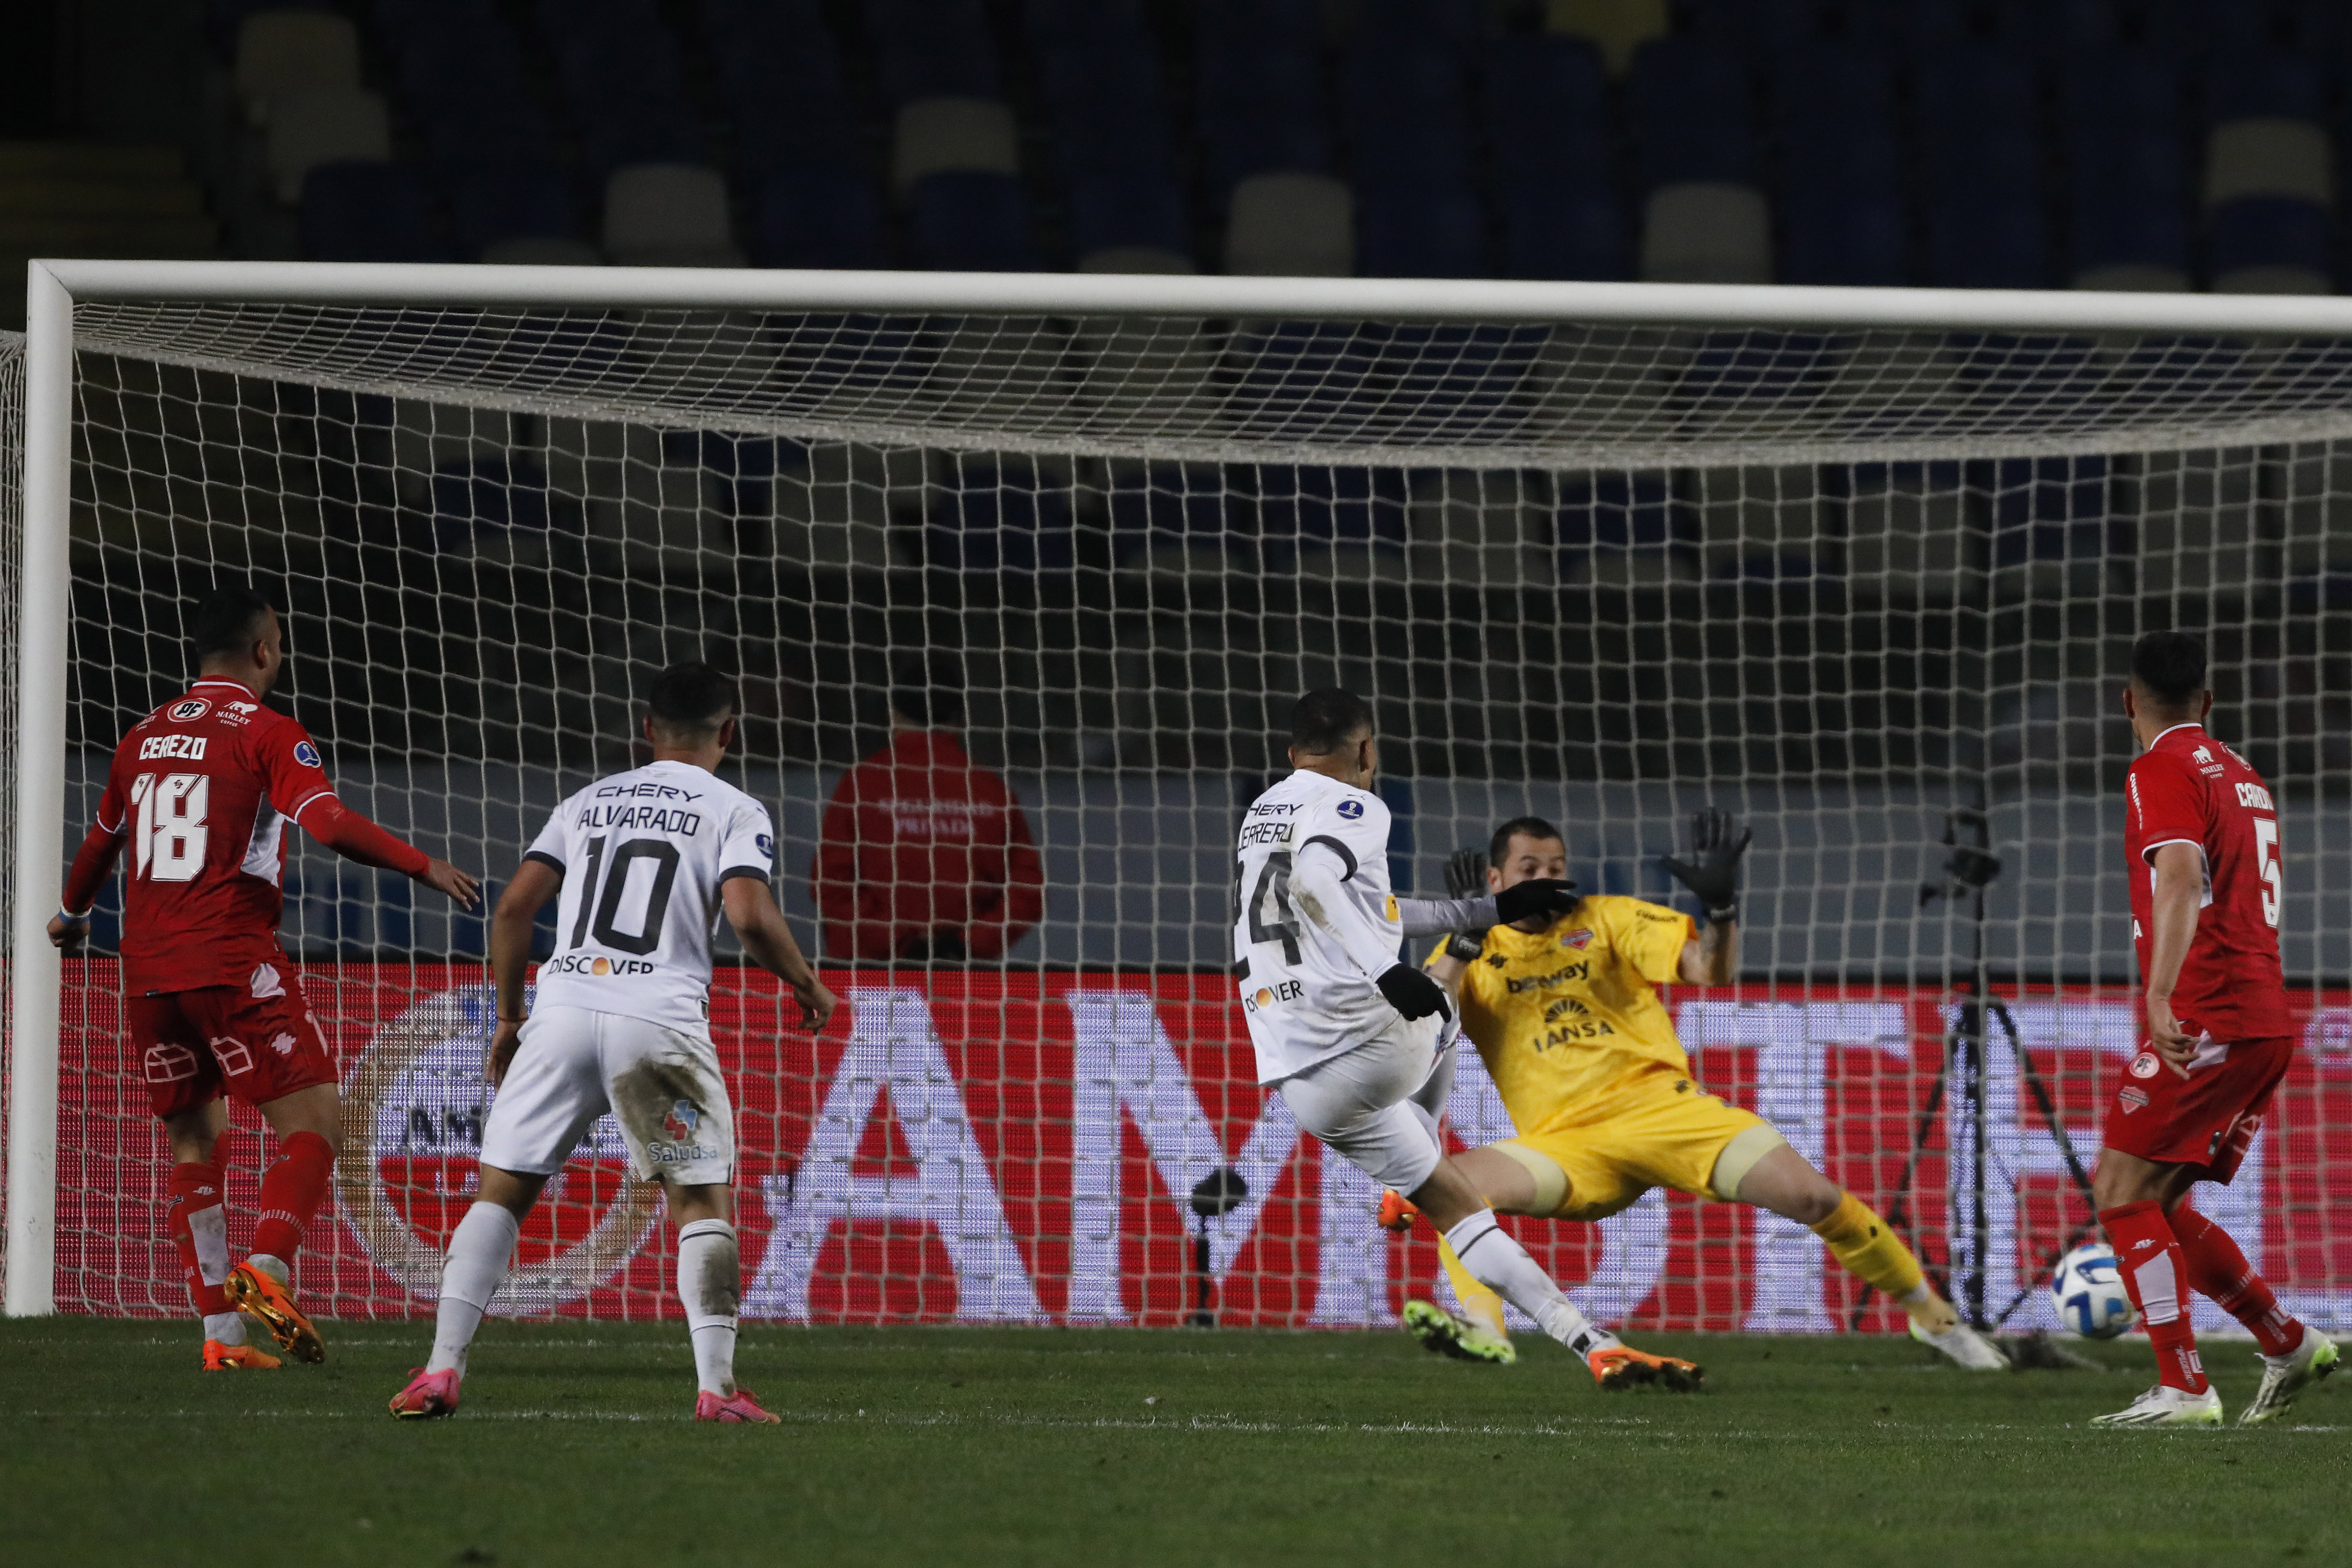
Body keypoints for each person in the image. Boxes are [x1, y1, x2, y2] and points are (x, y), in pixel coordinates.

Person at [1383, 815, 2005, 1373]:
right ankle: (1484, 1328)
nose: (1547, 878)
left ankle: (1936, 1320)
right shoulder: (1471, 950)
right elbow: (1425, 1021)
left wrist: (1723, 910)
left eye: (1555, 868)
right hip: (1565, 1144)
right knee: (1451, 1189)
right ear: (1494, 877)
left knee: (1815, 1198)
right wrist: (1467, 936)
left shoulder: (1606, 918)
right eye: (1529, 870)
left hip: (1665, 1112)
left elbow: (1712, 969)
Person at [389, 662, 838, 1423]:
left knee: (502, 1191)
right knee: (698, 1199)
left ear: (646, 730)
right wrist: (805, 981)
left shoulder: (585, 802)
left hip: (562, 1010)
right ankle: (718, 1390)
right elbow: (750, 915)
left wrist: (508, 1019)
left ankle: (439, 1371)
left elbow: (511, 910)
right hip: (656, 1021)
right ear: (729, 732)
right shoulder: (735, 808)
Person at [50, 583, 480, 1369]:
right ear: (264, 652)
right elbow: (329, 824)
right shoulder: (269, 732)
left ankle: (222, 1337)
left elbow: (100, 841)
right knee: (318, 1121)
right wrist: (423, 865)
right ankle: (270, 1267)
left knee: (192, 1138)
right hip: (231, 960)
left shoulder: (140, 738)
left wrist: (72, 914)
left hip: (146, 971)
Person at [1237, 688, 1702, 1390]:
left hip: (1300, 1080)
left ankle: (1592, 1343)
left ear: (1290, 754)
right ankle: (1422, 1122)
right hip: (1365, 1044)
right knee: (1445, 1000)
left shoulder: (1263, 813)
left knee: (1457, 1208)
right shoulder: (1356, 804)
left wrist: (1491, 907)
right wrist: (1388, 972)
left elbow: (1369, 907)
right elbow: (1317, 881)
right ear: (1367, 751)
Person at [2086, 631, 2337, 1427]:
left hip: (2213, 1013)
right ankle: (2288, 1340)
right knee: (2158, 1200)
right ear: (2210, 699)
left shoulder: (2158, 768)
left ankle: (2185, 1385)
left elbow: (2184, 875)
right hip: (2265, 1014)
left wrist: (2159, 997)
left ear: (2130, 703)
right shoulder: (2245, 777)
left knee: (2120, 1190)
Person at [811, 656, 1043, 963]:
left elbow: (831, 883)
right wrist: (965, 944)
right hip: (964, 980)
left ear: (892, 714)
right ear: (959, 719)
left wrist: (899, 940)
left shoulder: (862, 784)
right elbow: (1026, 889)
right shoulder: (991, 790)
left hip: (872, 980)